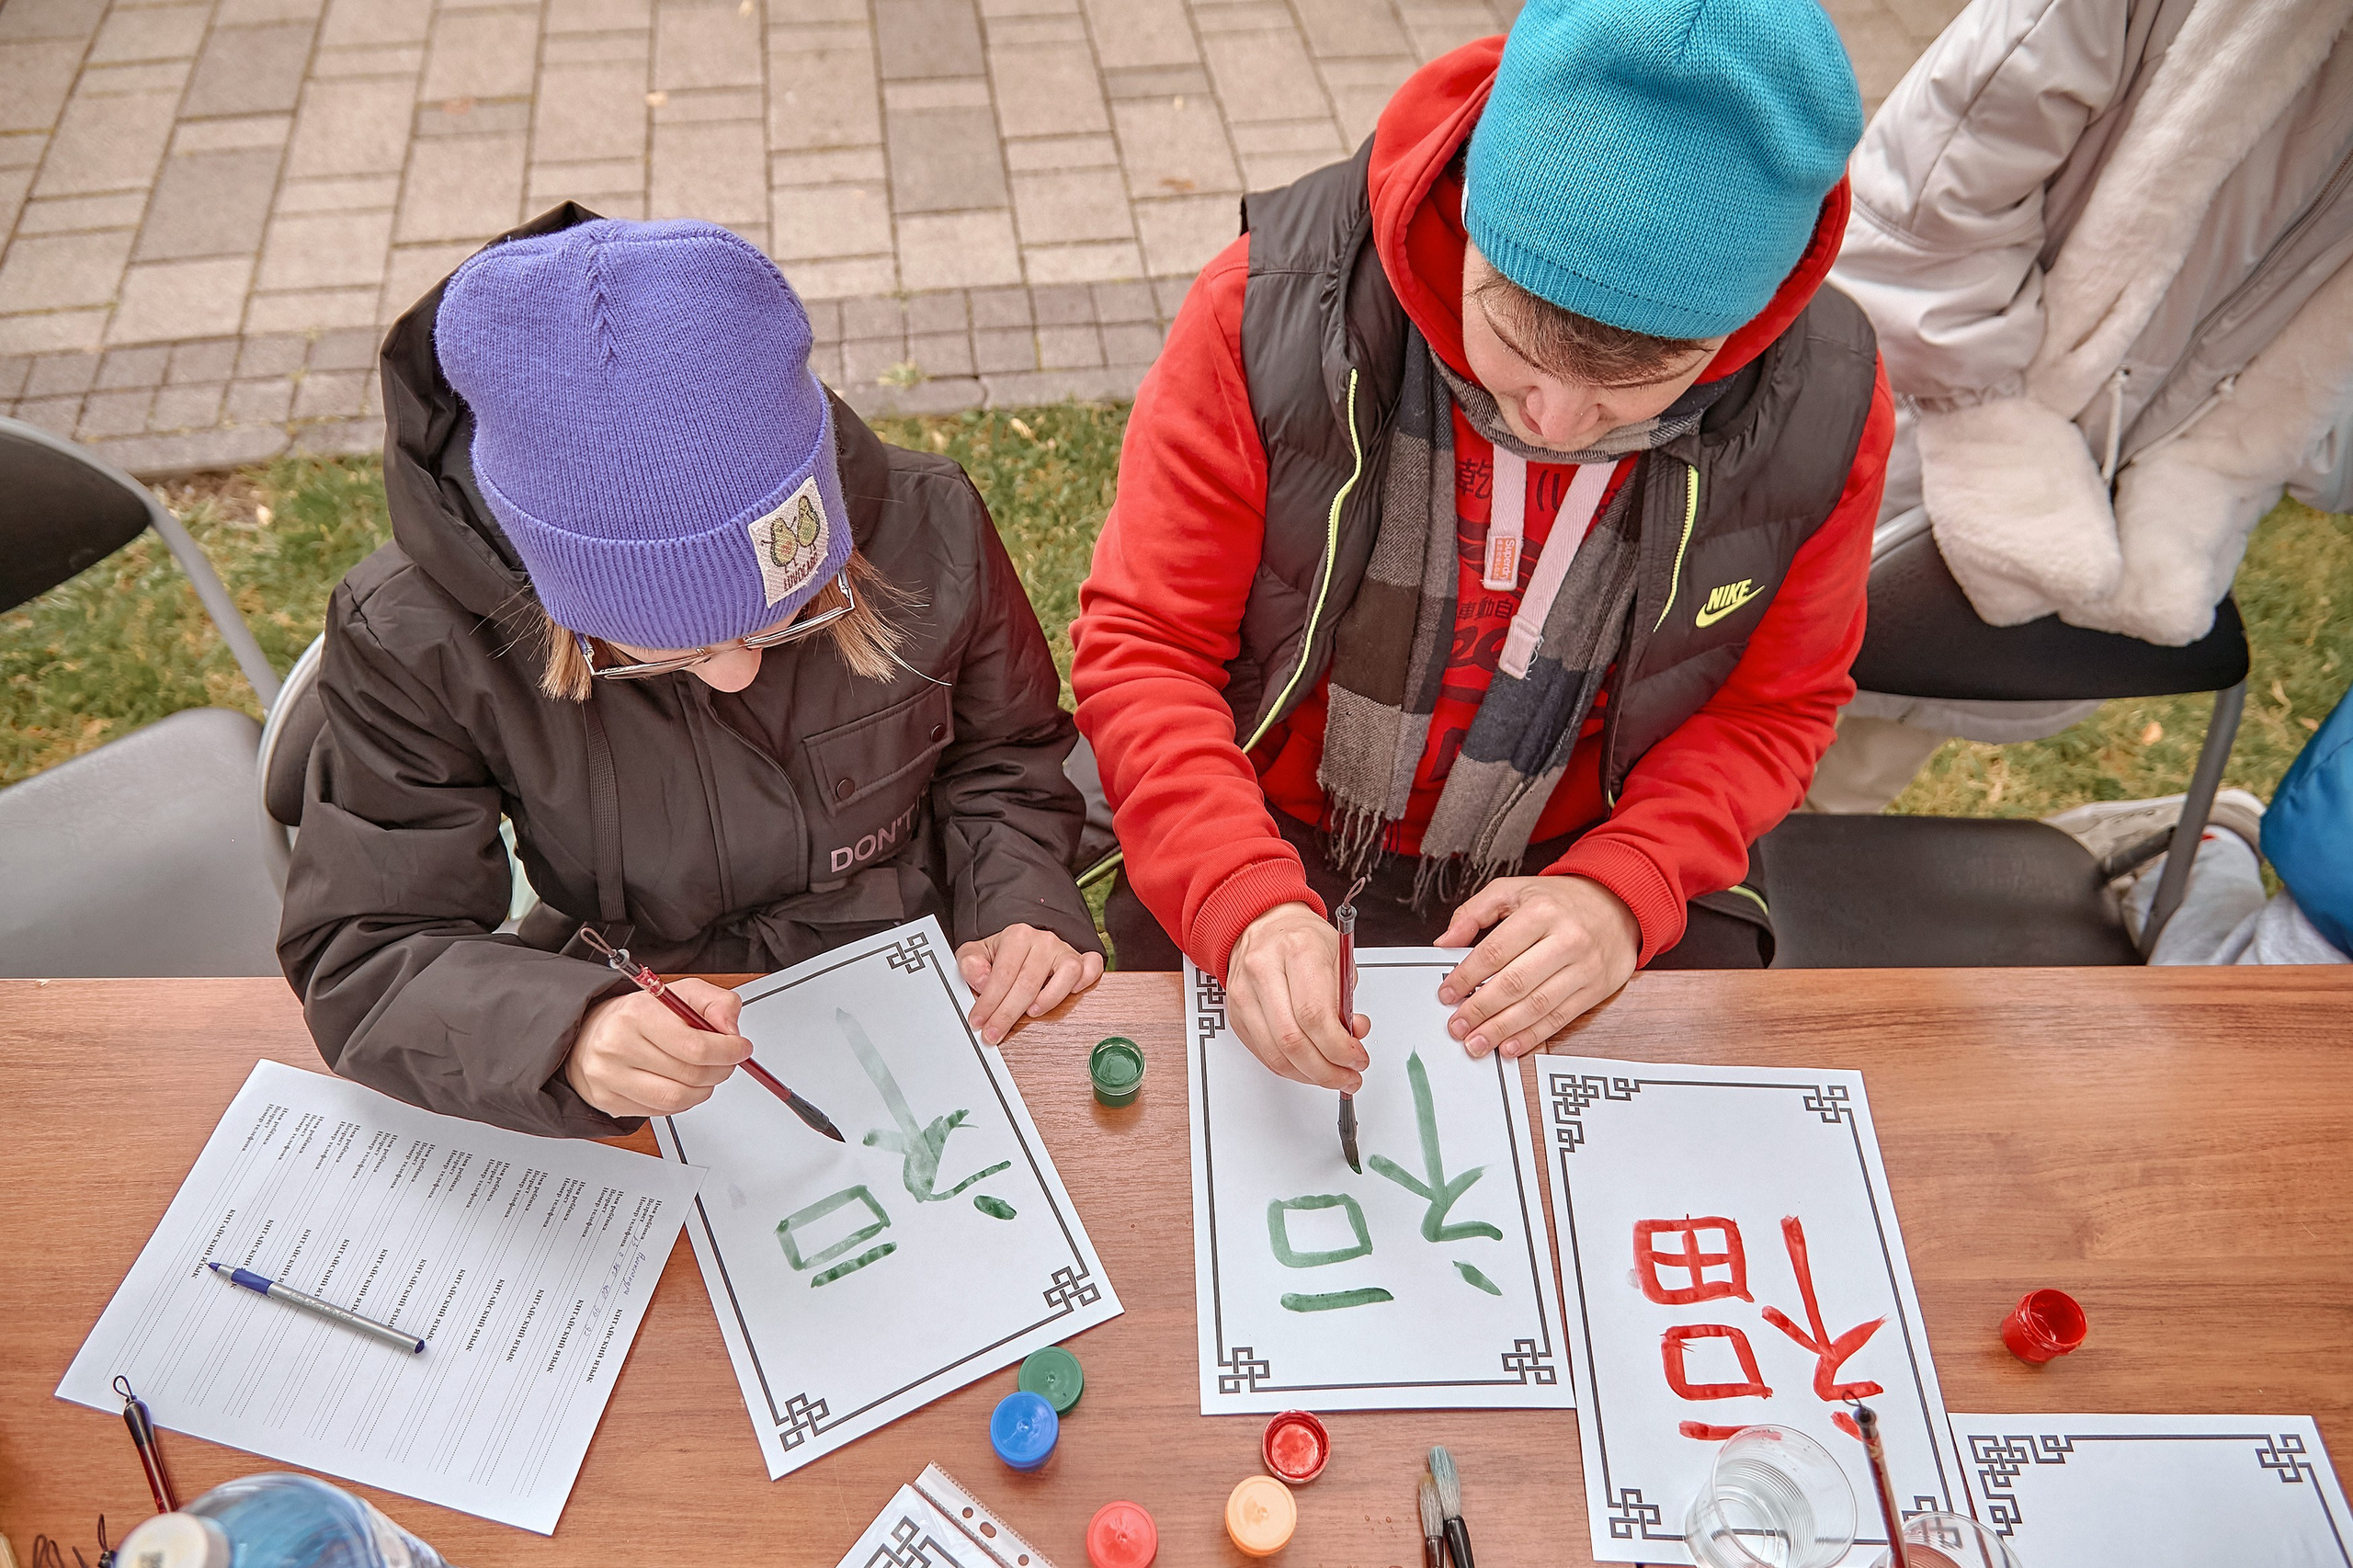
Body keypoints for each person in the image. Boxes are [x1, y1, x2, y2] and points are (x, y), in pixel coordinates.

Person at [1071, 0, 1891, 1090]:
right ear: (1467, 213)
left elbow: (1773, 707)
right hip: (1267, 821)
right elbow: (1148, 646)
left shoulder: (1820, 400)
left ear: (1743, 327)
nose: (1549, 423)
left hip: (1580, 853)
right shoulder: (1266, 312)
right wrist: (1243, 893)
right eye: (1511, 336)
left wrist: (1624, 883)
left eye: (1635, 385)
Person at [279, 214, 1102, 1139]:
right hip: (642, 993)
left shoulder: (924, 521)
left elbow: (1007, 755)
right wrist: (569, 1031)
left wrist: (1018, 898)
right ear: (552, 600)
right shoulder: (415, 638)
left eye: (791, 616)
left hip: (914, 973)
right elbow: (369, 944)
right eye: (664, 654)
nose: (734, 673)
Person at [1809, 0, 2353, 812]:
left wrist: (2231, 471)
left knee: (1844, 796)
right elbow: (1932, 191)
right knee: (1715, 706)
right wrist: (1985, 424)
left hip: (2118, 520)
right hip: (1934, 419)